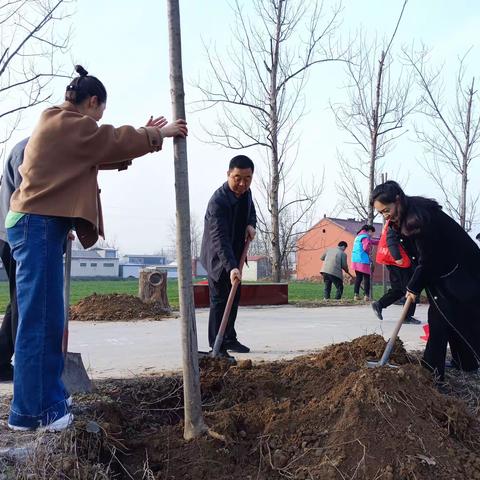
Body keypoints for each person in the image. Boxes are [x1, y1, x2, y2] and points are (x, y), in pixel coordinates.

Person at [6, 65, 187, 432]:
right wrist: (159, 133)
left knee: (47, 320)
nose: (99, 120)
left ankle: (46, 400)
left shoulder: (60, 124)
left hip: (39, 225)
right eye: (100, 112)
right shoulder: (66, 122)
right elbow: (109, 140)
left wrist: (145, 136)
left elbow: (102, 151)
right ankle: (31, 412)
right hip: (36, 226)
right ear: (91, 102)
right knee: (40, 322)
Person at [371, 180, 480, 381]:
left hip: (461, 271)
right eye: (381, 213)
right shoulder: (402, 215)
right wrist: (415, 282)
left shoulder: (417, 219)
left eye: (386, 210)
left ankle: (432, 373)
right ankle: (466, 362)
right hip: (445, 271)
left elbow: (428, 258)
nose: (385, 216)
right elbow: (419, 257)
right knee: (449, 316)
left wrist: (413, 286)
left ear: (397, 199)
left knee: (442, 318)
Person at [200, 155, 256, 359]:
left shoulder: (246, 193)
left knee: (234, 298)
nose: (242, 183)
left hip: (236, 253)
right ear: (228, 175)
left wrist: (251, 224)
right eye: (237, 178)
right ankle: (216, 344)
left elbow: (251, 211)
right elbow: (219, 238)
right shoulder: (218, 202)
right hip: (218, 257)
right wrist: (231, 266)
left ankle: (229, 338)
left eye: (247, 178)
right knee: (220, 300)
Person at [0, 138, 27, 382]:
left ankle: (1, 361)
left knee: (18, 299)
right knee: (24, 300)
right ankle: (24, 364)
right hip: (15, 237)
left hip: (11, 235)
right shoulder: (29, 150)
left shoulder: (29, 147)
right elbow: (26, 197)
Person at [371, 222, 421, 324]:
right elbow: (391, 239)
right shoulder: (398, 221)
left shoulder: (403, 220)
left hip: (395, 261)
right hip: (400, 262)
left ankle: (380, 304)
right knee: (411, 288)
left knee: (398, 289)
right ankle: (406, 317)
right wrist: (397, 256)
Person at [351, 225, 378, 301]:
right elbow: (366, 247)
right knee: (366, 278)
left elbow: (372, 241)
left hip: (355, 260)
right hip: (363, 260)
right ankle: (366, 296)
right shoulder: (365, 236)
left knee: (358, 278)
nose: (372, 234)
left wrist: (380, 241)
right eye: (372, 232)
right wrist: (369, 252)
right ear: (369, 231)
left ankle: (356, 295)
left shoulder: (358, 236)